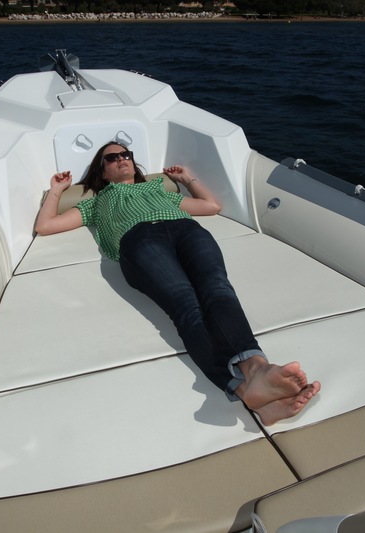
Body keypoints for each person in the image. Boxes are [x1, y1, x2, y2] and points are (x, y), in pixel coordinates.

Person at [35, 142, 320, 425]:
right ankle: (243, 387)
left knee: (218, 290)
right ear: (104, 172)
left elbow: (211, 206)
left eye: (126, 154)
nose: (122, 159)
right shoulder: (97, 202)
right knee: (187, 305)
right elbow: (45, 225)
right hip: (139, 240)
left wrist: (185, 180)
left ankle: (257, 372)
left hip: (186, 230)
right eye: (112, 158)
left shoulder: (157, 190)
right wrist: (57, 190)